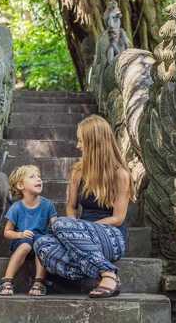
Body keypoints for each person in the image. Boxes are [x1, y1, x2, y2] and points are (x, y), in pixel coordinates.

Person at [34, 115, 135, 298]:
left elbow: (118, 218)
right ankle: (100, 271)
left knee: (60, 224)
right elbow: (71, 208)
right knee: (41, 244)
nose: (78, 146)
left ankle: (108, 274)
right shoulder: (78, 171)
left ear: (94, 142)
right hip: (80, 237)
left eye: (81, 140)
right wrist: (74, 229)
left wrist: (79, 229)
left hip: (111, 236)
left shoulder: (120, 174)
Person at [0, 165, 57, 296]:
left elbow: (57, 226)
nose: (38, 180)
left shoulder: (48, 205)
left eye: (39, 177)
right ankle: (7, 280)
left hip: (41, 245)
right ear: (20, 185)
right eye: (32, 177)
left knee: (42, 244)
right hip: (22, 243)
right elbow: (7, 232)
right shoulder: (16, 207)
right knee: (25, 245)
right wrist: (20, 234)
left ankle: (39, 281)